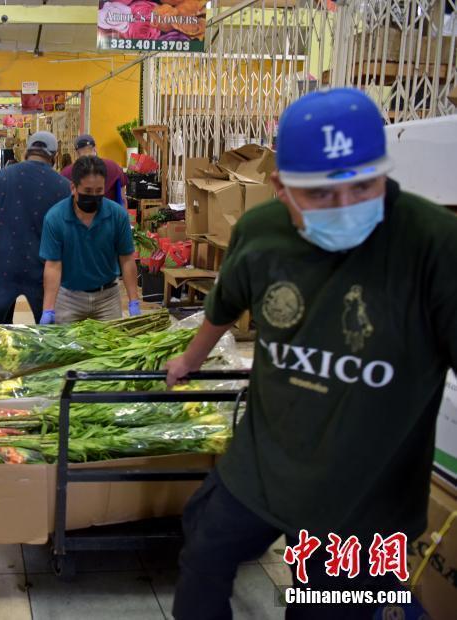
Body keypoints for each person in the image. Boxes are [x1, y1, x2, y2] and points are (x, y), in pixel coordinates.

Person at [165, 88, 457, 618]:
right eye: (320, 195)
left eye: (363, 187)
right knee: (204, 551)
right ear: (280, 188)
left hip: (369, 491)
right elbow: (224, 305)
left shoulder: (434, 245)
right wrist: (189, 358)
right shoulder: (260, 234)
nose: (344, 208)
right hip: (267, 459)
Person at [0, 131, 71, 324]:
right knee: (44, 338)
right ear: (54, 155)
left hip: (2, 267)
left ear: (26, 151)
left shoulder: (1, 177)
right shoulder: (64, 186)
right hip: (43, 270)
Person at [39, 156, 140, 325]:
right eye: (87, 191)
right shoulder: (55, 218)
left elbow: (127, 260)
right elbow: (53, 266)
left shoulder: (117, 215)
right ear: (73, 188)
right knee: (68, 348)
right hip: (69, 298)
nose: (93, 197)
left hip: (107, 298)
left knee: (109, 348)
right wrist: (48, 309)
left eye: (98, 191)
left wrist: (134, 301)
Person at [61, 134, 128, 206]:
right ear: (95, 148)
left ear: (76, 152)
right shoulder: (114, 167)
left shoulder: (66, 173)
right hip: (109, 215)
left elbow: (63, 202)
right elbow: (123, 199)